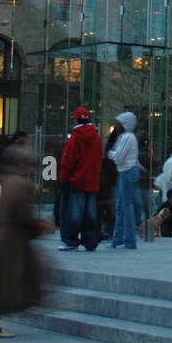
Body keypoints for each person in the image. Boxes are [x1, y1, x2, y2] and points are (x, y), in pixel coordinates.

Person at [0, 144, 53, 338]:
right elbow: (23, 213)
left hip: (6, 235)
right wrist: (40, 225)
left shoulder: (5, 180)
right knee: (20, 275)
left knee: (7, 276)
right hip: (15, 237)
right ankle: (13, 311)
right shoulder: (22, 184)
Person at [58, 107, 102, 251]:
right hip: (92, 180)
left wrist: (63, 178)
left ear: (76, 119)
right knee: (90, 213)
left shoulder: (75, 138)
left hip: (77, 180)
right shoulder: (96, 137)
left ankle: (71, 240)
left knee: (74, 212)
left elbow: (68, 161)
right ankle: (90, 240)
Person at [107, 111, 140, 249]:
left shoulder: (127, 137)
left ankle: (128, 240)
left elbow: (118, 157)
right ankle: (118, 239)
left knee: (125, 207)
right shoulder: (127, 137)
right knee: (121, 207)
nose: (116, 126)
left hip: (126, 172)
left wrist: (110, 153)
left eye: (119, 123)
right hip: (126, 172)